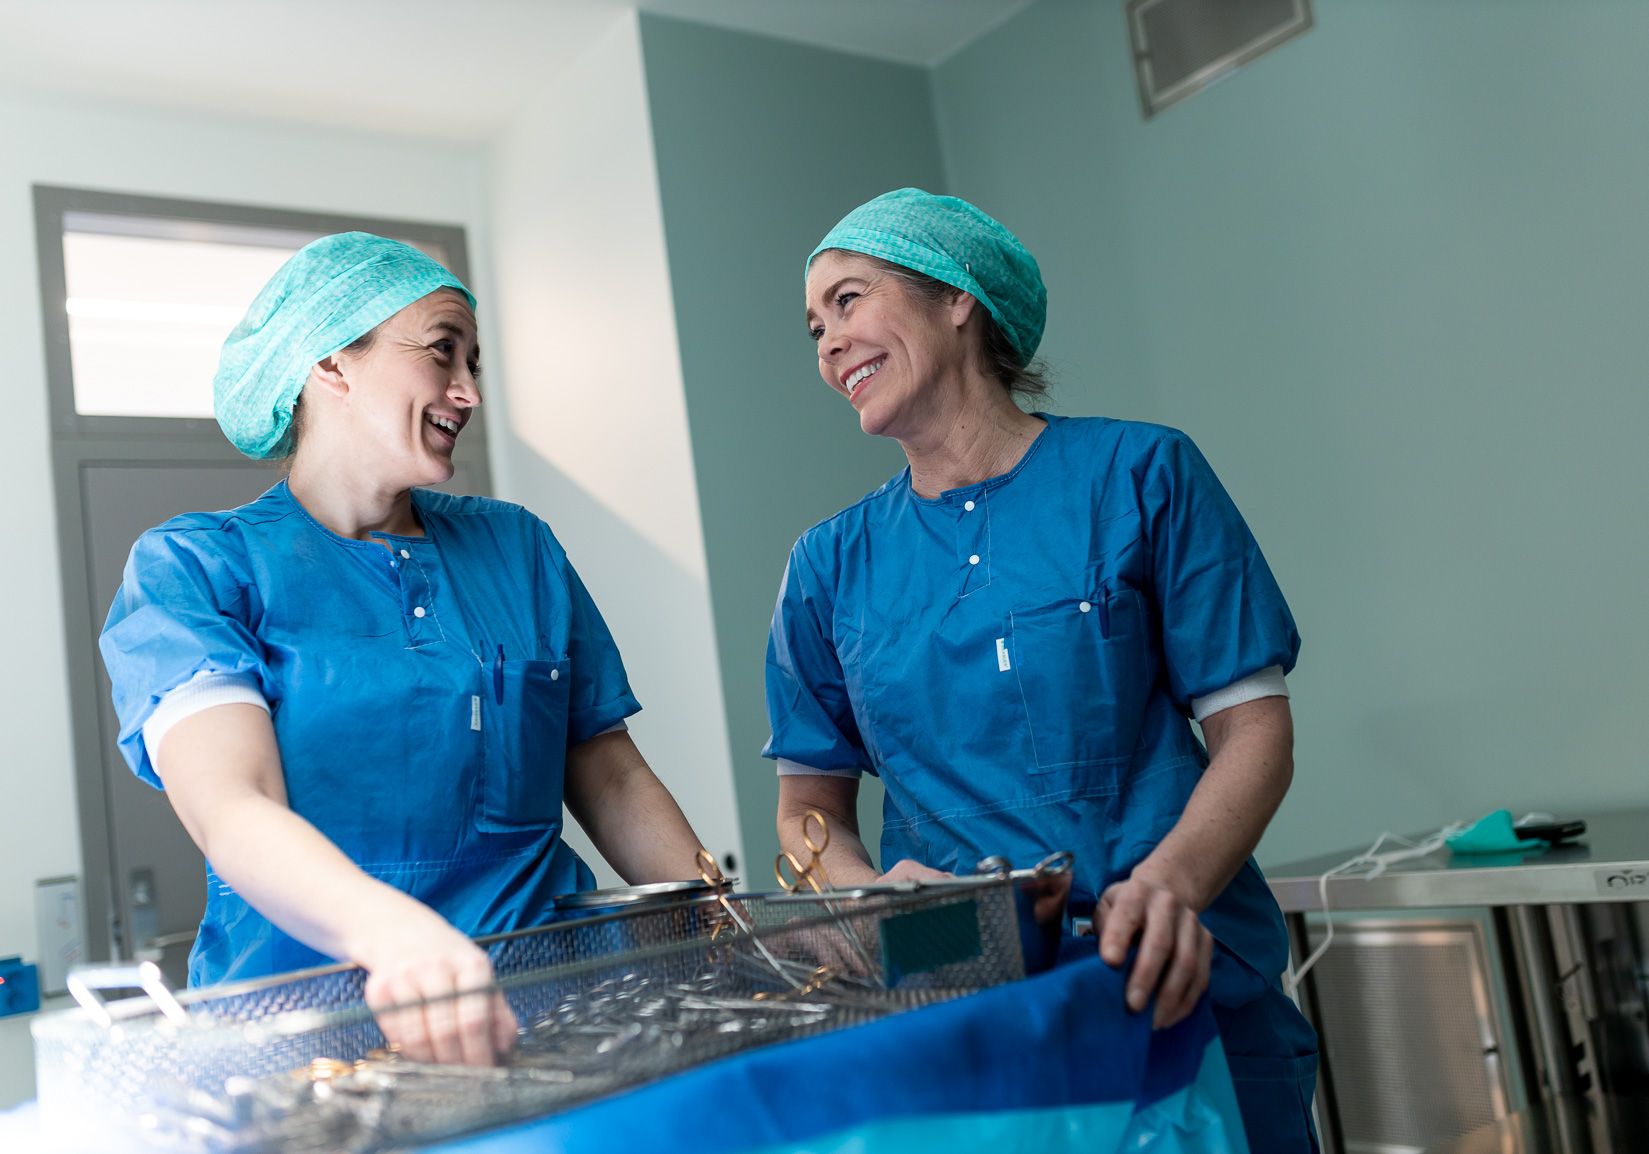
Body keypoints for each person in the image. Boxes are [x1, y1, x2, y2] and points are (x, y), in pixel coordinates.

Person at [767, 190, 1319, 1151]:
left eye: (848, 300)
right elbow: (807, 812)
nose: (828, 343)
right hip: (967, 1013)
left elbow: (1255, 730)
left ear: (957, 297)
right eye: (815, 328)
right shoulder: (828, 565)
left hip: (1178, 981)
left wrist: (1172, 885)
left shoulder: (1140, 475)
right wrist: (863, 896)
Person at [100, 233, 705, 1066]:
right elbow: (233, 804)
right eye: (441, 351)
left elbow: (612, 777)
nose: (468, 392)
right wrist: (395, 936)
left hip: (556, 1019)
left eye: (473, 363)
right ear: (331, 363)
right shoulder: (198, 567)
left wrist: (722, 924)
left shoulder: (518, 549)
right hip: (307, 1043)